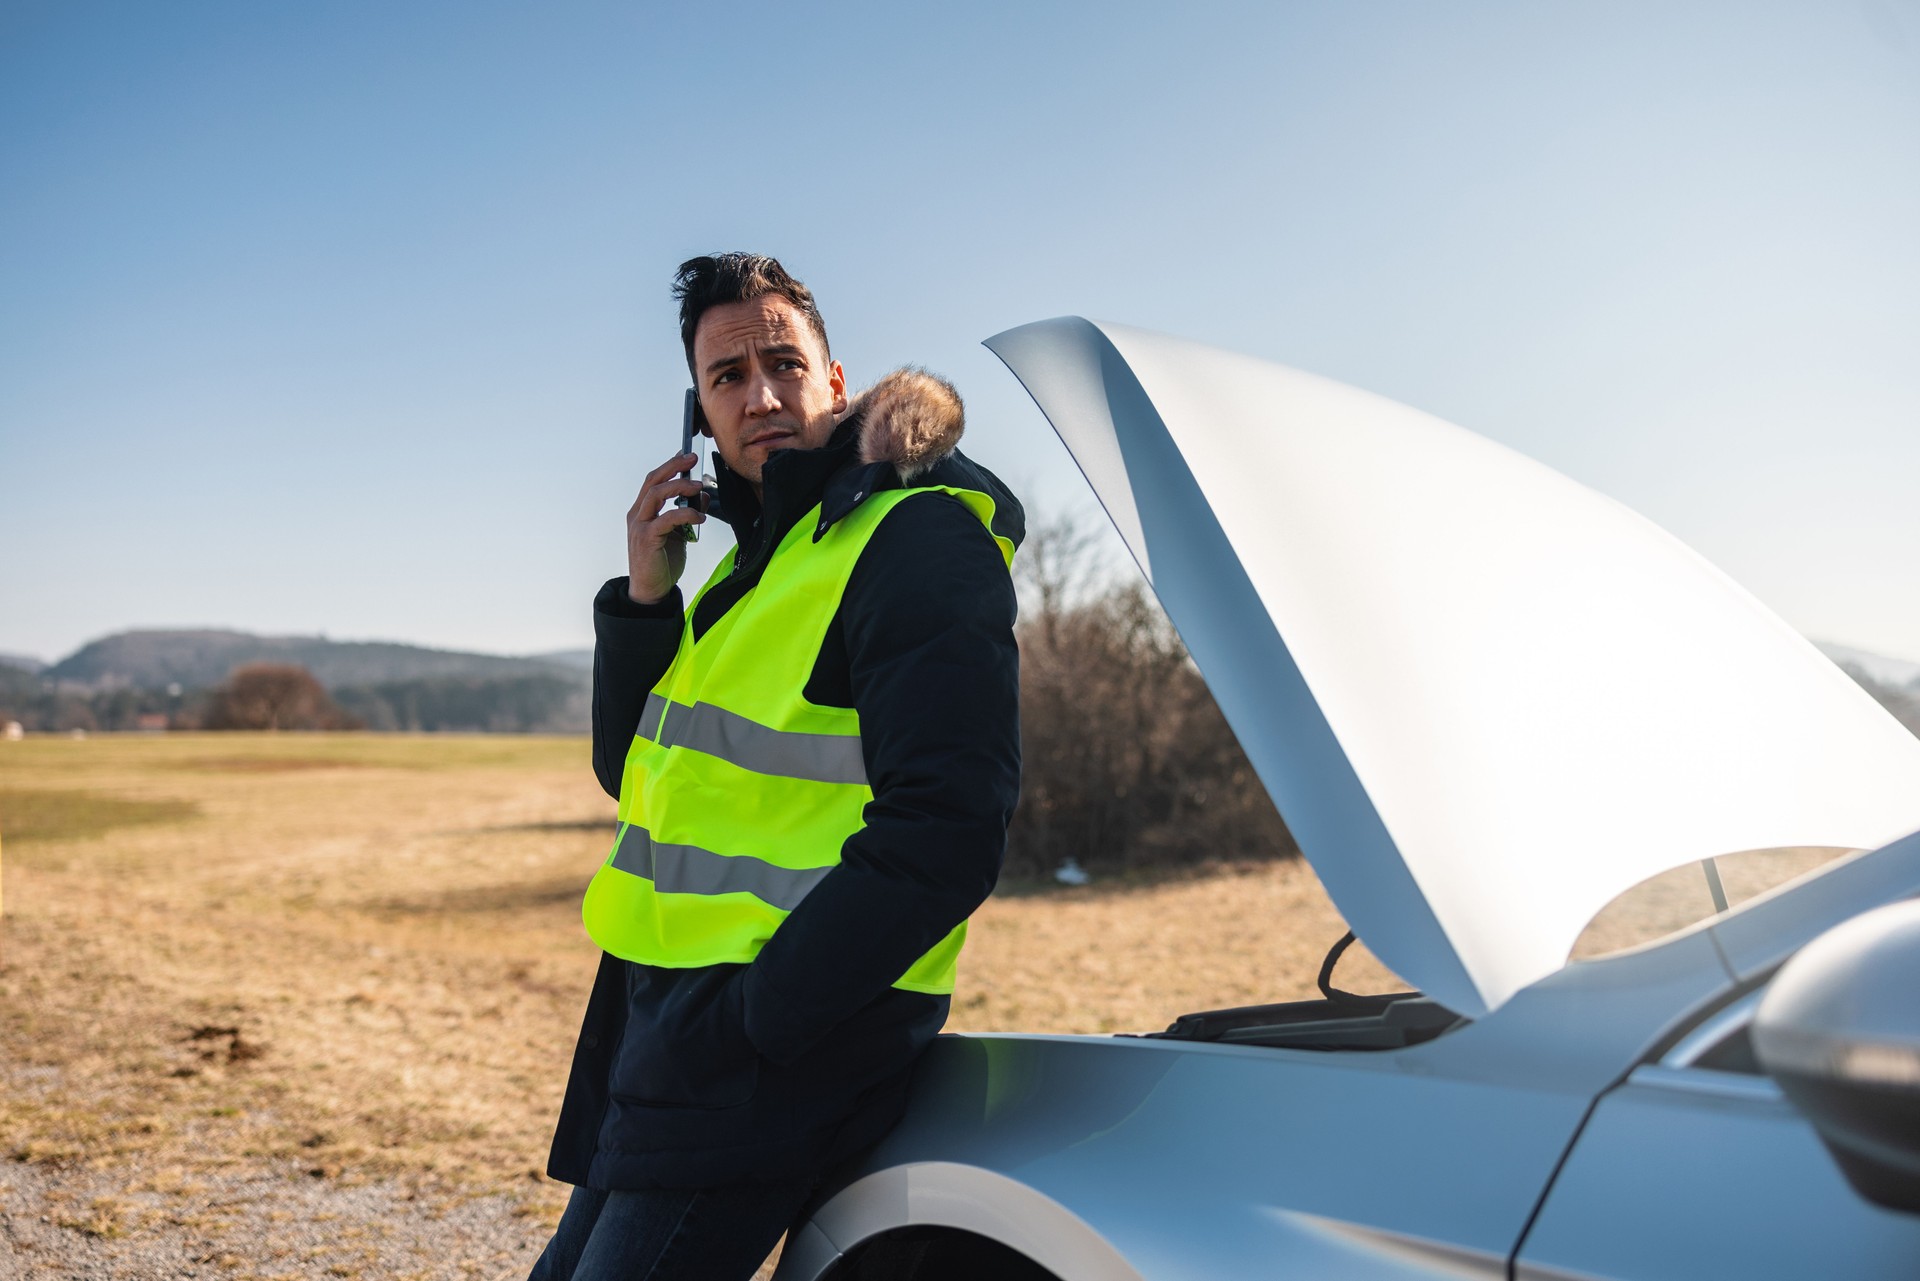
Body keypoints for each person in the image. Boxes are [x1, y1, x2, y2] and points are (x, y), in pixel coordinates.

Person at [528, 253, 1023, 1281]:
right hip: (666, 1031)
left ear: (835, 384)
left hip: (769, 1046)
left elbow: (948, 828)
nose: (759, 396)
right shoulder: (760, 569)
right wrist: (647, 599)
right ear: (699, 419)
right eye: (725, 378)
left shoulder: (913, 535)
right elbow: (639, 775)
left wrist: (760, 1021)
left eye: (782, 364)